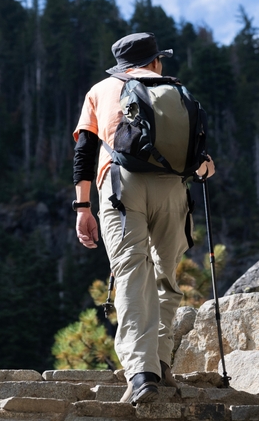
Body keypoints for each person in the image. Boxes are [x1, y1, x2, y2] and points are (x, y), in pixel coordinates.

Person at [72, 32, 215, 405]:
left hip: (121, 188)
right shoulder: (173, 90)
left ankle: (142, 373)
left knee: (133, 274)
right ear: (154, 61)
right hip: (172, 189)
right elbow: (200, 157)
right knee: (165, 276)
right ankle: (161, 362)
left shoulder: (100, 90)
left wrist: (82, 207)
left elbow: (85, 152)